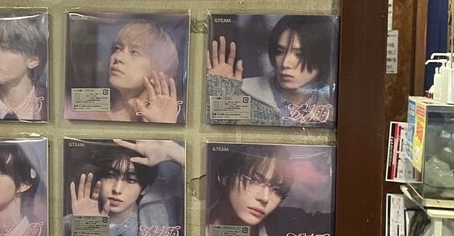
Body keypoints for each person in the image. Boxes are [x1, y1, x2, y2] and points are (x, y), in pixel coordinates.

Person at [207, 16, 335, 126]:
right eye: (280, 52)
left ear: (323, 57)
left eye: (299, 54)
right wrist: (220, 94)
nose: (285, 63)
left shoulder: (332, 116)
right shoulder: (241, 91)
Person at [68, 21, 182, 123]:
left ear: (160, 71)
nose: (118, 57)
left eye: (134, 52)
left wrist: (164, 127)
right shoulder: (87, 101)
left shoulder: (165, 117)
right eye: (117, 48)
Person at [65, 139, 184, 236]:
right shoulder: (68, 224)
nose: (117, 189)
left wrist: (171, 151)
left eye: (131, 179)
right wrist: (89, 228)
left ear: (145, 188)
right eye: (110, 175)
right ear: (99, 177)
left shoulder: (162, 219)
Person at [207, 144, 293, 235]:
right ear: (224, 176)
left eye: (277, 189)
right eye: (255, 180)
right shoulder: (196, 222)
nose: (265, 198)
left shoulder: (291, 226)